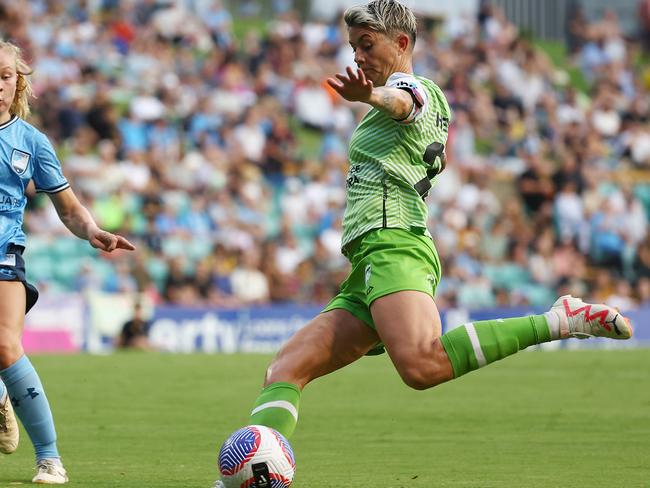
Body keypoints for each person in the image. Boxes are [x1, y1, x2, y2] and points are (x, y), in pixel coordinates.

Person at [214, 1, 633, 484]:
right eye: (354, 47)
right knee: (285, 369)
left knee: (421, 364)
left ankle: (560, 319)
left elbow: (405, 102)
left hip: (395, 246)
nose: (359, 56)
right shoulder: (401, 101)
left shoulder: (417, 89)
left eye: (367, 45)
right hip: (370, 260)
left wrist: (372, 95)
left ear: (402, 43)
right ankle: (251, 479)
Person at [0, 40, 135, 484]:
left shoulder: (31, 142)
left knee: (5, 346)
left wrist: (93, 231)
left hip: (4, 255)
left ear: (18, 82)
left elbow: (69, 208)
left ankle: (50, 459)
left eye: (5, 76)